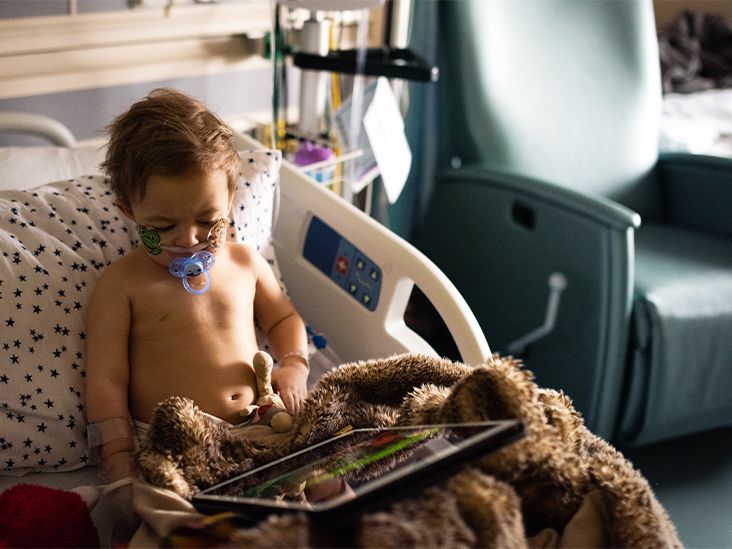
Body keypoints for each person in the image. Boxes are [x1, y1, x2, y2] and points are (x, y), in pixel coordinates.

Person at [85, 88, 309, 483]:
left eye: (207, 220)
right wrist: (117, 456)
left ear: (230, 199)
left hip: (262, 421)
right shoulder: (123, 283)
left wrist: (295, 364)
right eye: (162, 226)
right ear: (128, 211)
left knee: (324, 478)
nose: (188, 240)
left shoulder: (244, 262)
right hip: (174, 445)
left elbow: (284, 318)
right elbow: (106, 379)